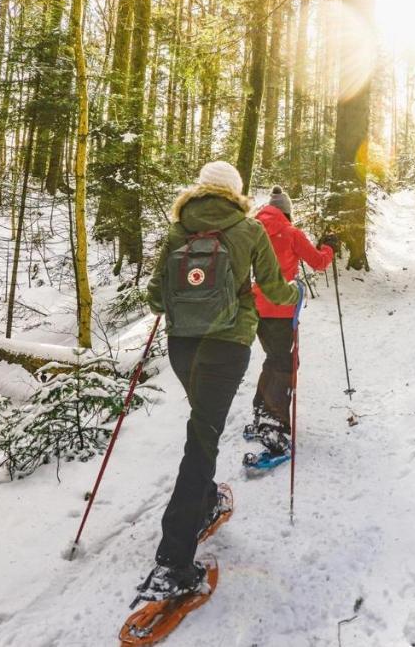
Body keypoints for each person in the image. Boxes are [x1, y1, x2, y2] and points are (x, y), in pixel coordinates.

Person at [138, 161, 300, 601]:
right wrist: (296, 293)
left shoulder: (178, 230)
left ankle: (205, 501)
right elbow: (273, 287)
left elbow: (154, 296)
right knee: (202, 440)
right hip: (227, 347)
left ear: (200, 190)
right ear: (236, 192)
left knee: (201, 427)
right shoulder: (249, 231)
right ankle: (172, 562)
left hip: (181, 348)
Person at [246, 186, 338, 455]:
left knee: (273, 358)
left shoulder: (251, 230)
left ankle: (261, 412)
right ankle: (274, 424)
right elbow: (319, 262)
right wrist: (328, 247)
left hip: (254, 307)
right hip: (282, 308)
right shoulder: (291, 233)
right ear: (287, 212)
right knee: (285, 362)